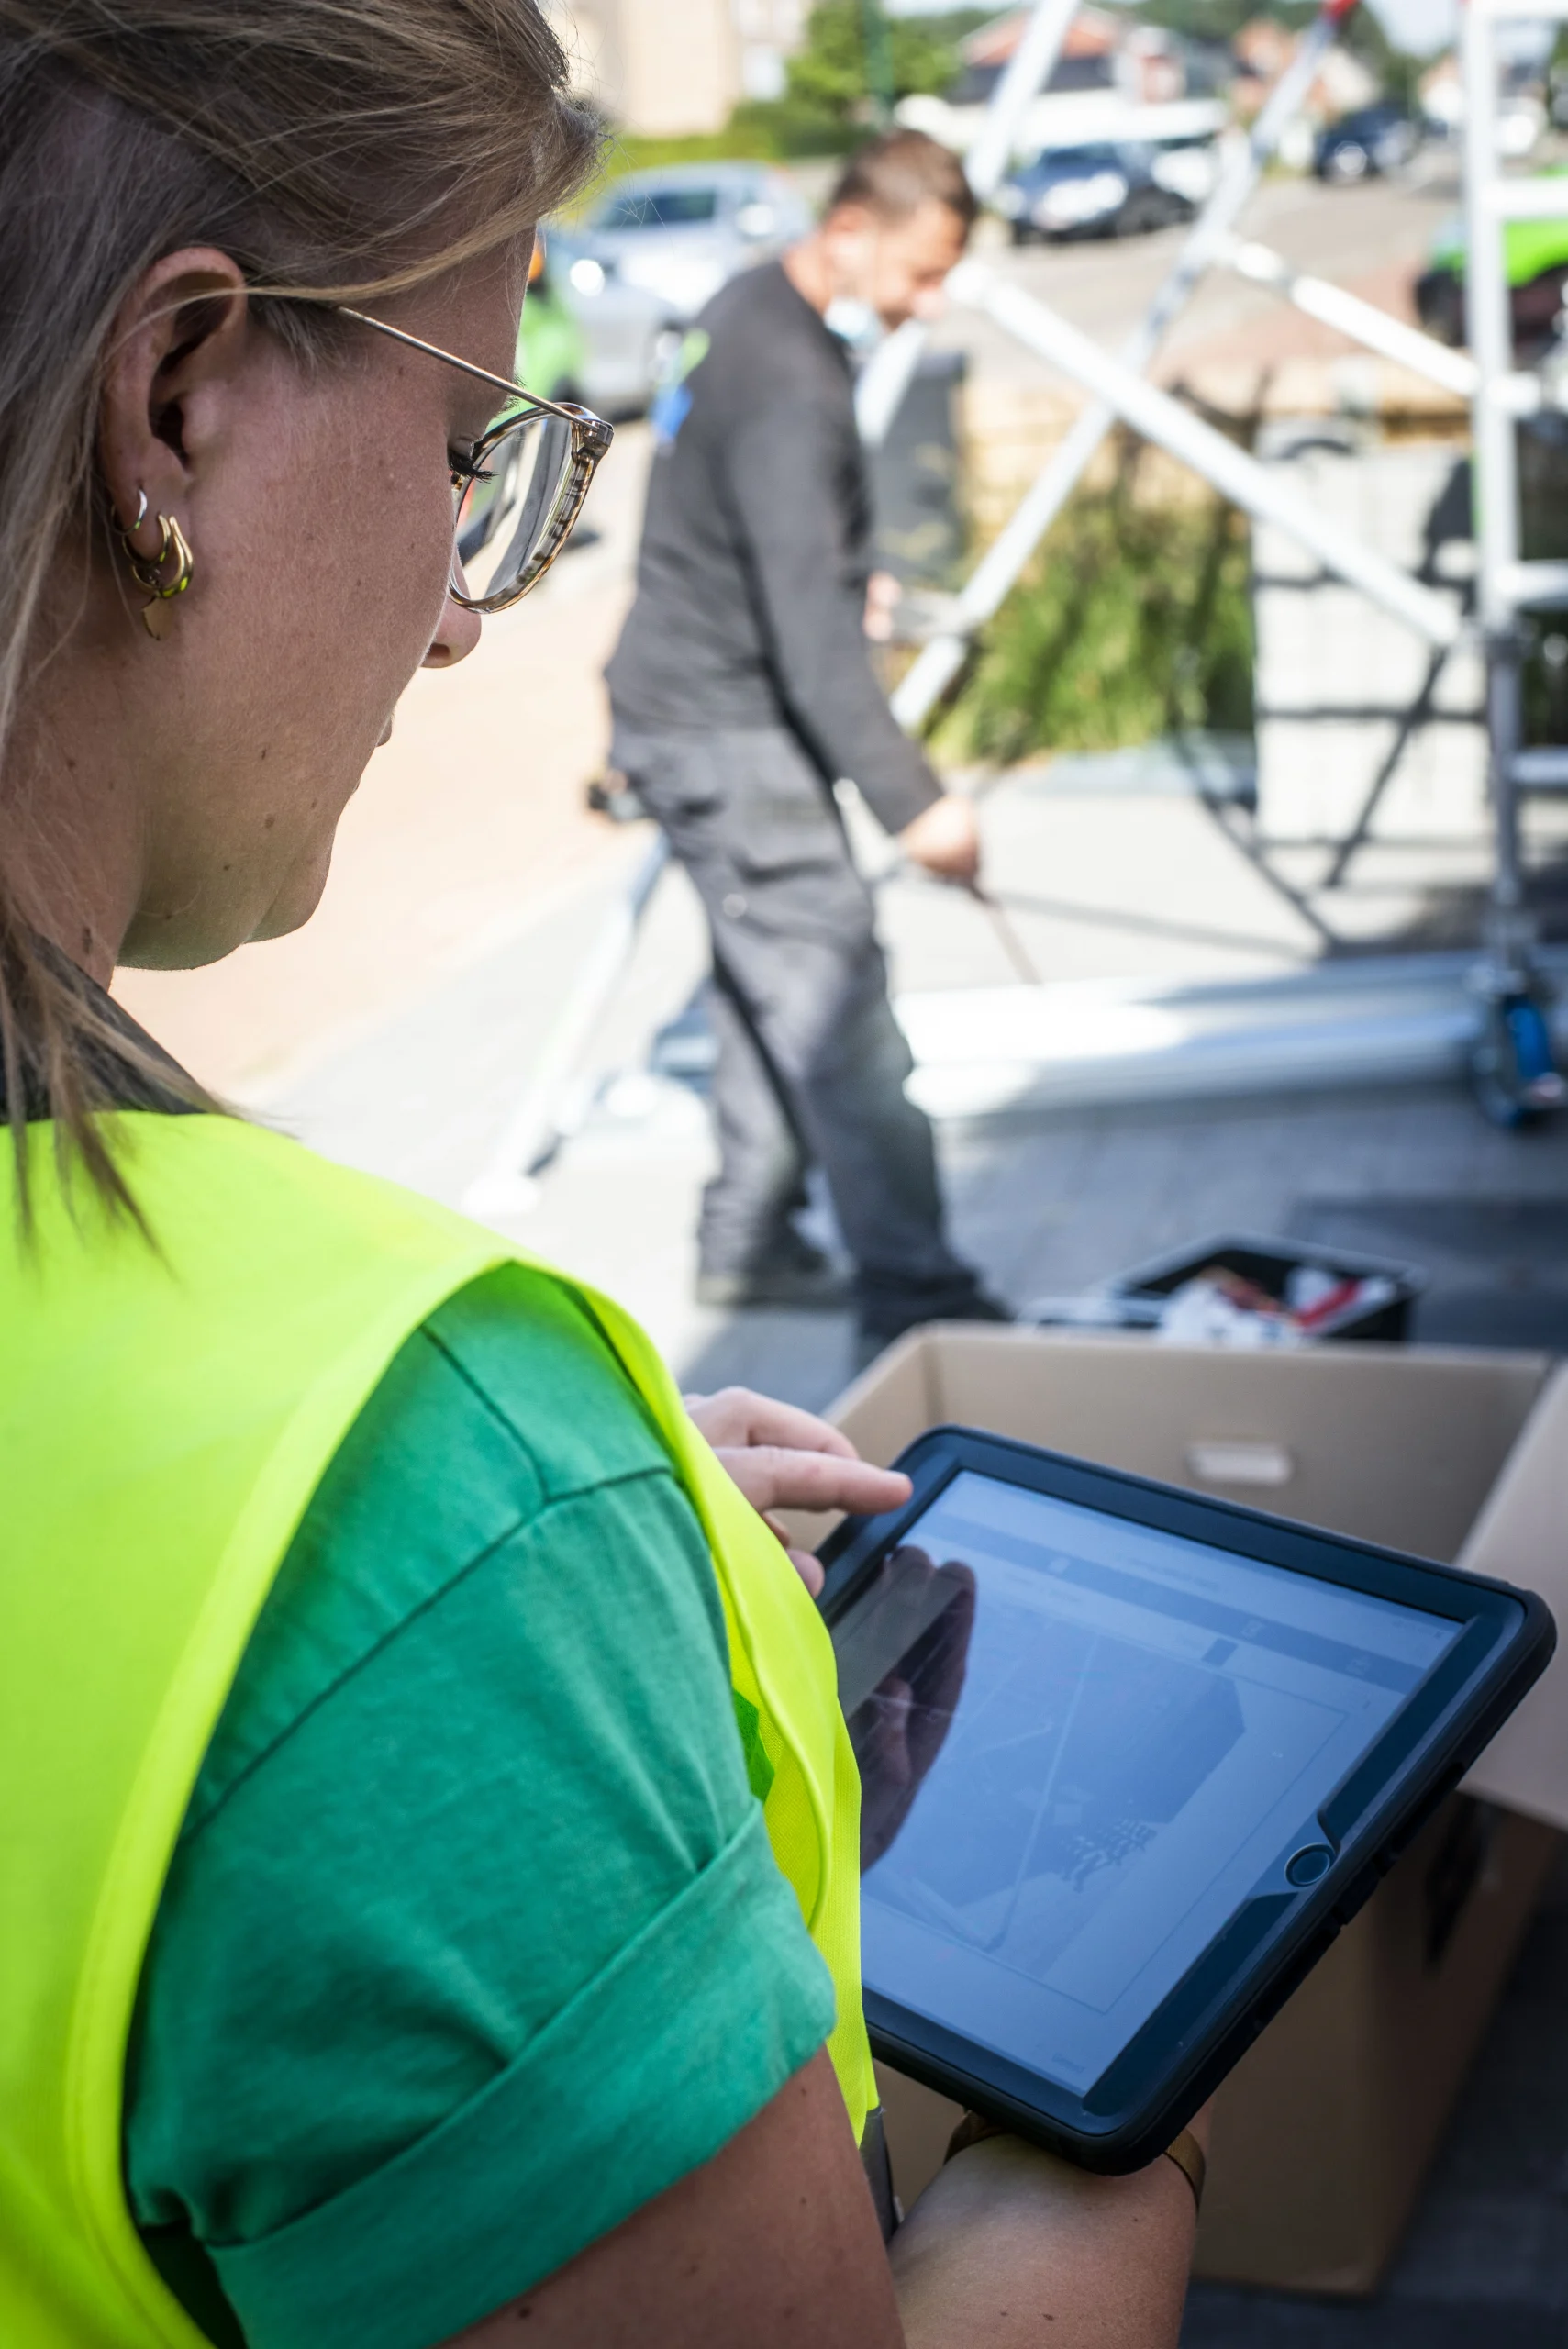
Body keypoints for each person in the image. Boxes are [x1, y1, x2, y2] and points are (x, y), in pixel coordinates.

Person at [0, 7, 1206, 2345]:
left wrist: (591, 1588)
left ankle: (780, 1234)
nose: (464, 610)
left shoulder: (423, 1510)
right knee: (825, 1019)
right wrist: (1100, 2181)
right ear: (176, 403)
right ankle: (903, 1260)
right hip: (739, 750)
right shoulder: (403, 1500)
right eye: (473, 450)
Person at [606, 131, 1008, 1353]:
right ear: (849, 231)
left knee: (764, 984)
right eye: (921, 272)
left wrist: (840, 567)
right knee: (835, 1003)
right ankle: (923, 1304)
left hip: (692, 705)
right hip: (724, 724)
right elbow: (810, 640)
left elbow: (763, 537)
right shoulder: (788, 377)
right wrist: (917, 803)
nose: (929, 302)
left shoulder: (746, 308)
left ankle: (748, 1243)